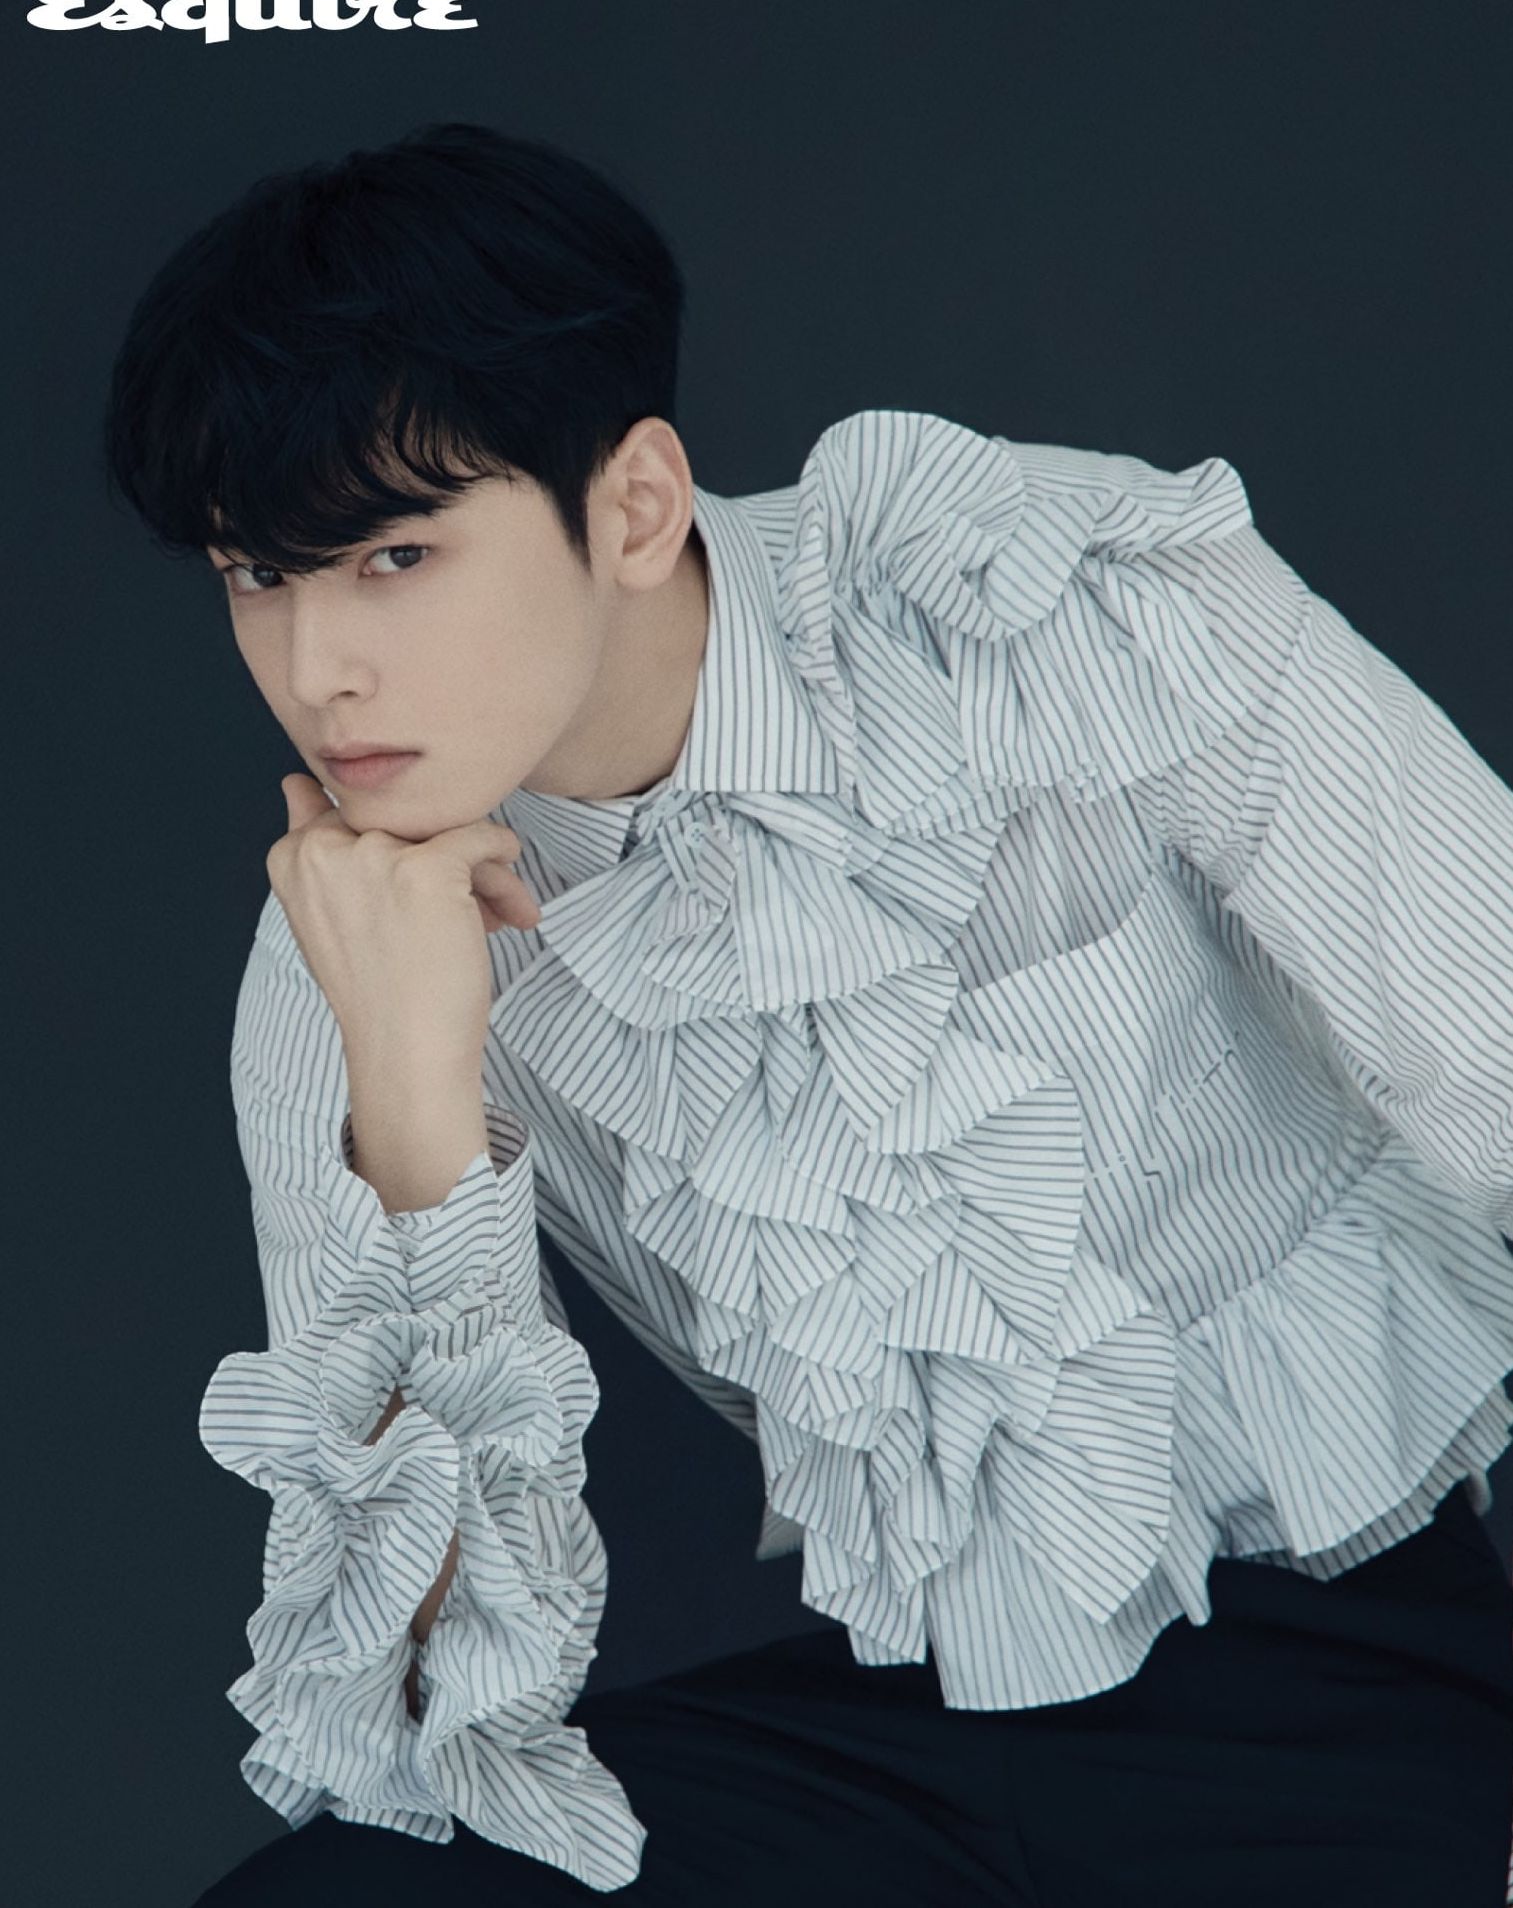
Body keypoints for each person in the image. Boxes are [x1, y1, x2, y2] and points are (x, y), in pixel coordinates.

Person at [103, 122, 1513, 1905]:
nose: (319, 671)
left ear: (632, 506)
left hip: (1351, 1675)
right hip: (913, 1738)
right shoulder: (352, 941)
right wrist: (414, 1101)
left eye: (390, 555)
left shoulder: (1043, 603)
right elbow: (422, 1698)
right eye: (255, 574)